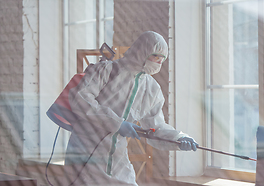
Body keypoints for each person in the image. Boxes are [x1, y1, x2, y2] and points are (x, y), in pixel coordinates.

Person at [63, 31, 198, 186]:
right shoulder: (106, 70)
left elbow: (156, 128)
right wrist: (117, 123)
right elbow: (80, 99)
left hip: (117, 160)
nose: (159, 62)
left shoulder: (151, 89)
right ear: (142, 52)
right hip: (85, 155)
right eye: (156, 56)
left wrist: (178, 139)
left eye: (163, 59)